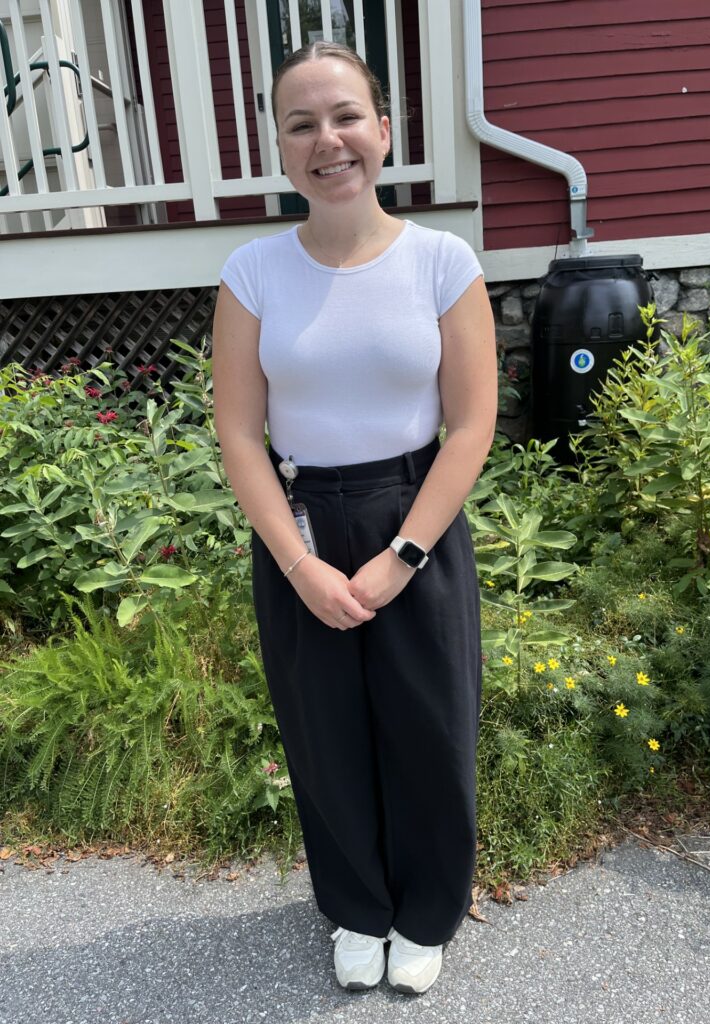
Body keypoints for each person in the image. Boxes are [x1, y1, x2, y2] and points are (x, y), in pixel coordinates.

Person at [212, 40, 496, 995]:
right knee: (323, 732)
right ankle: (358, 907)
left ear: (383, 128)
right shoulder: (252, 273)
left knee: (429, 725)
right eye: (301, 124)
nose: (326, 140)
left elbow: (472, 424)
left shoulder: (442, 263)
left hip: (414, 513)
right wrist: (299, 564)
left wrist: (402, 554)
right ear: (281, 147)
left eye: (345, 117)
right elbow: (241, 437)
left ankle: (425, 913)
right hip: (301, 525)